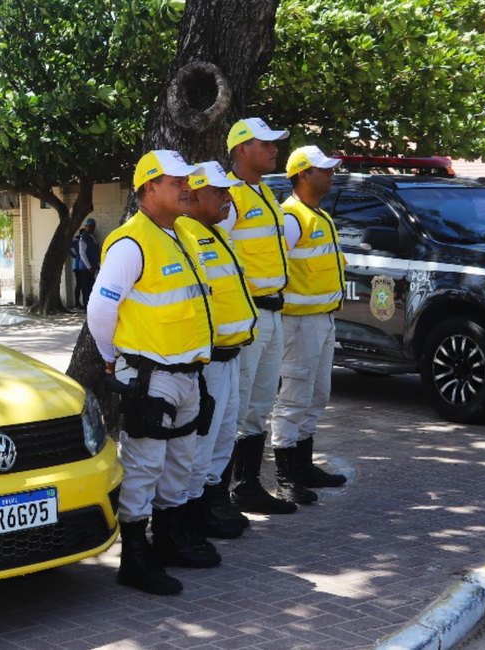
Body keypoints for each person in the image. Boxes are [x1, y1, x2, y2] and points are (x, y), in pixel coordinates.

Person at [88, 150, 217, 596]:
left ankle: (169, 539)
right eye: (176, 180)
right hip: (150, 376)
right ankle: (135, 558)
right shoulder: (131, 243)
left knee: (179, 464)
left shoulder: (180, 233)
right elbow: (101, 308)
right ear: (148, 188)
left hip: (185, 374)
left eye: (188, 180)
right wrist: (110, 357)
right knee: (144, 466)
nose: (187, 187)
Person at [223, 117, 304, 514]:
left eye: (275, 144)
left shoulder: (265, 194)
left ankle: (246, 484)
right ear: (242, 150)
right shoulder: (230, 197)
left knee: (259, 404)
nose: (275, 150)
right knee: (236, 406)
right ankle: (219, 494)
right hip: (247, 316)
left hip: (272, 311)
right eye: (266, 144)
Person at [176, 162, 259, 539]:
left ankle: (215, 500)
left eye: (228, 191)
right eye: (219, 192)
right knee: (202, 442)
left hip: (230, 355)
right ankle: (196, 514)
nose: (228, 197)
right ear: (192, 195)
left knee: (224, 436)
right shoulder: (186, 237)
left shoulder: (216, 233)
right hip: (207, 361)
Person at [270, 146, 349, 492]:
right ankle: (287, 476)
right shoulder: (291, 218)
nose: (331, 175)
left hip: (323, 320)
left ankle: (303, 468)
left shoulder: (319, 215)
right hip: (298, 324)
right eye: (324, 170)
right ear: (303, 174)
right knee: (294, 398)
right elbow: (273, 270)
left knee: (317, 396)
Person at [72, 218, 100, 309]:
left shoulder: (92, 237)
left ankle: (90, 305)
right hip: (85, 268)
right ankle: (86, 306)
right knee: (86, 288)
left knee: (91, 287)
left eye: (93, 226)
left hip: (92, 266)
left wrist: (97, 265)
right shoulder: (83, 237)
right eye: (89, 226)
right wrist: (89, 267)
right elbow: (82, 253)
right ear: (86, 227)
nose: (92, 228)